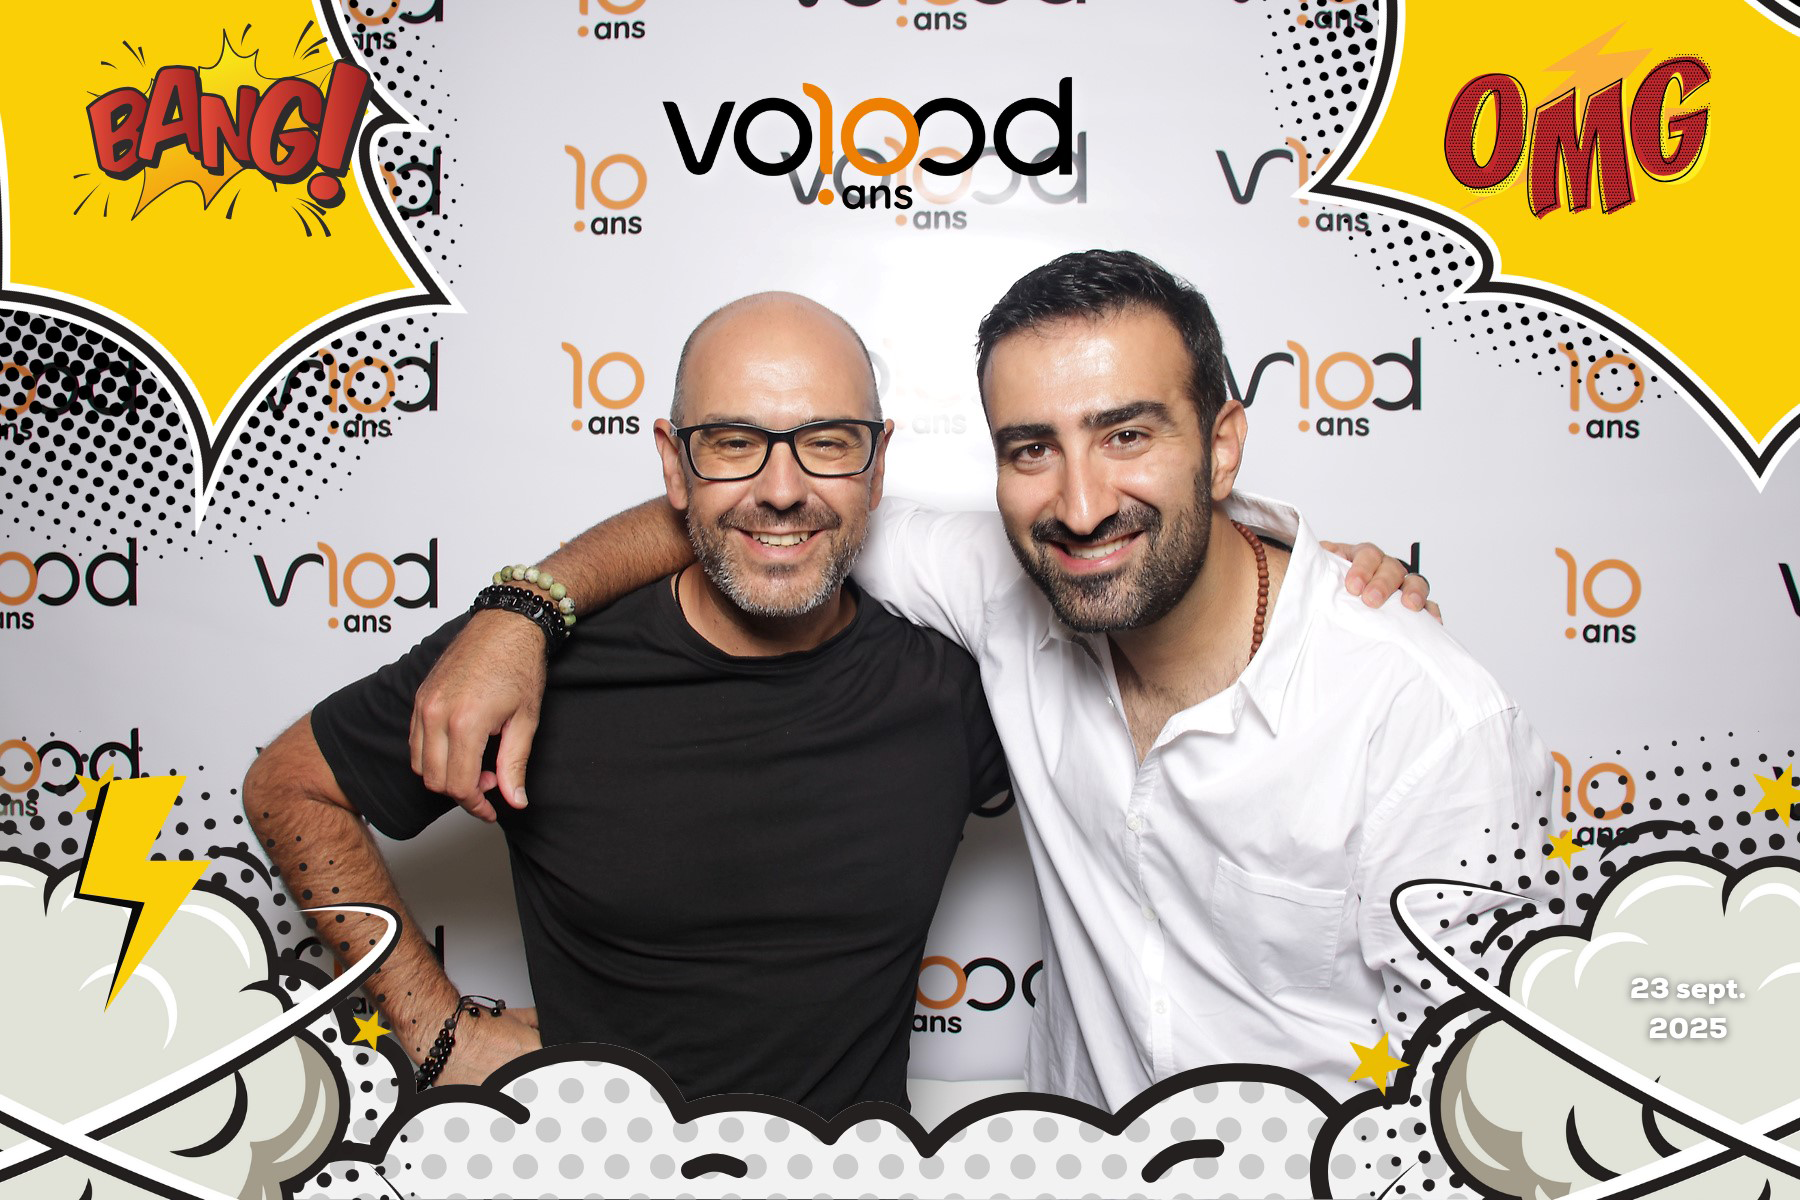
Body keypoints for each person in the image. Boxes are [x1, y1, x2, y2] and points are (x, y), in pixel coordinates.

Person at [408, 251, 1540, 1109]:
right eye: (1031, 448)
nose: (1081, 504)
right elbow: (761, 511)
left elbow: (1486, 1101)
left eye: (1128, 435)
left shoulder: (1422, 720)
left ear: (1224, 444)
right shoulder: (1005, 584)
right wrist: (525, 608)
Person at [243, 293, 1014, 1117]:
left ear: (878, 461)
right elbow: (289, 786)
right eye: (733, 443)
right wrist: (437, 1032)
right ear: (674, 465)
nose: (782, 489)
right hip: (583, 1163)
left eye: (828, 443)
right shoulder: (529, 663)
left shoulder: (953, 687)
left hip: (852, 1173)